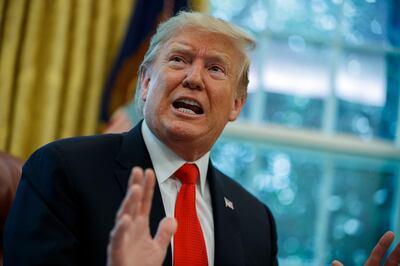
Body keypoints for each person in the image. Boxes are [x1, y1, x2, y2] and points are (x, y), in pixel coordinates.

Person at [3, 11, 400, 266]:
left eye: (215, 69)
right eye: (178, 59)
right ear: (145, 83)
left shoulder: (255, 221)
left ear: (236, 105)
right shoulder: (62, 170)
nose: (193, 77)